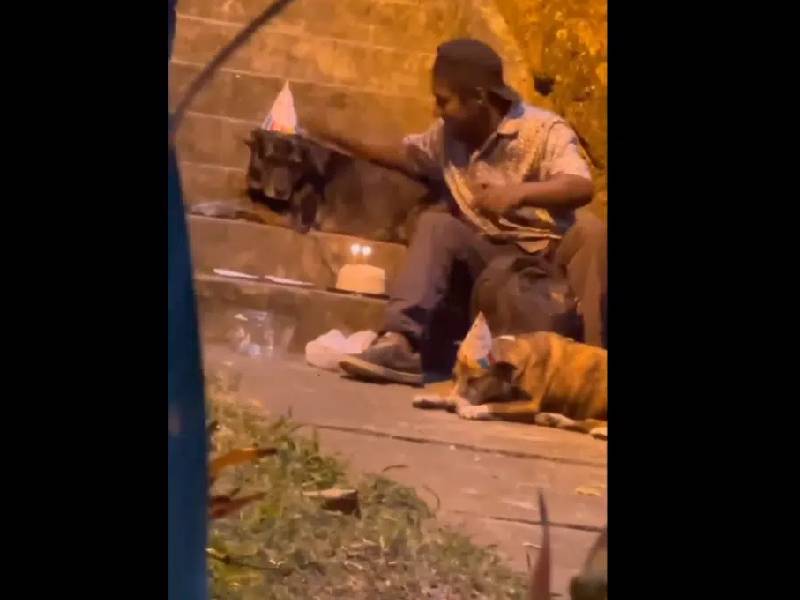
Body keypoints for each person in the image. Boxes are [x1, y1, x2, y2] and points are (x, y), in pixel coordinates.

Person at [307, 38, 596, 386]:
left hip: (546, 257)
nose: (437, 110)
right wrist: (338, 139)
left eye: (444, 100)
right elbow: (406, 155)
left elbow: (580, 185)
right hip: (489, 260)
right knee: (436, 224)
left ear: (478, 97)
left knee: (592, 232)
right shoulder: (447, 137)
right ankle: (401, 343)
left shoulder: (543, 130)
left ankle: (593, 364)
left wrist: (518, 194)